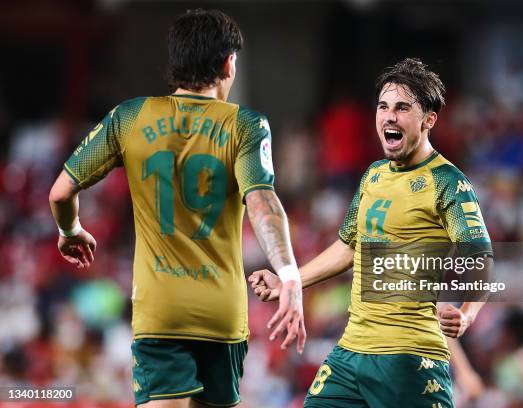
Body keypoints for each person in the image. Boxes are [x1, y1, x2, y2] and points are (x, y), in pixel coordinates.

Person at [49, 9, 305, 408]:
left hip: (161, 312)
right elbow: (262, 201)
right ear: (228, 63)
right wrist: (289, 275)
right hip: (222, 313)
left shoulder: (130, 116)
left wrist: (70, 230)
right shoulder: (247, 125)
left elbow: (60, 194)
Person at [250, 58, 493, 408]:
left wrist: (467, 313)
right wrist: (290, 281)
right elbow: (348, 247)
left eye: (402, 108)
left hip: (408, 359)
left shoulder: (447, 181)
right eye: (383, 106)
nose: (389, 116)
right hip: (351, 353)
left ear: (428, 120)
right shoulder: (374, 175)